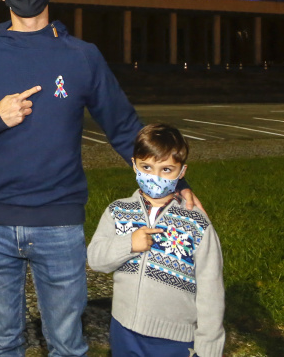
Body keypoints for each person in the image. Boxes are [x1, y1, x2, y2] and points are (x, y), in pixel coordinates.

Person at [0, 0, 201, 356]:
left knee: (67, 344)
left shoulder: (82, 56)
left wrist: (176, 182)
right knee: (3, 343)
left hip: (58, 223)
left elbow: (122, 127)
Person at [88, 124, 224, 357]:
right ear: (134, 165)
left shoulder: (196, 223)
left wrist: (209, 345)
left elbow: (211, 289)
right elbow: (95, 259)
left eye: (167, 169)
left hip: (175, 340)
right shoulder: (118, 211)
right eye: (147, 167)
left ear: (182, 172)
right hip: (124, 330)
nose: (155, 177)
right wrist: (128, 243)